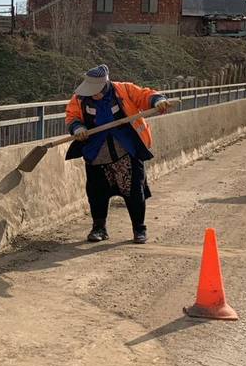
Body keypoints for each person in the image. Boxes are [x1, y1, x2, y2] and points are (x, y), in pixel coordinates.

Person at [65, 64, 173, 244]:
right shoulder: (80, 99)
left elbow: (145, 95)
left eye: (96, 91)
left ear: (104, 86)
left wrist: (158, 101)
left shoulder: (124, 90)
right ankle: (99, 228)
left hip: (127, 150)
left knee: (134, 192)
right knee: (96, 193)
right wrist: (78, 128)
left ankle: (139, 229)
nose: (93, 94)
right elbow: (72, 116)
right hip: (97, 153)